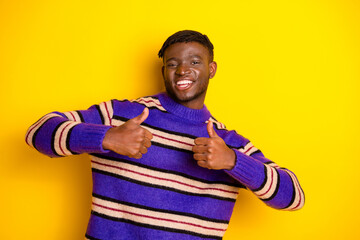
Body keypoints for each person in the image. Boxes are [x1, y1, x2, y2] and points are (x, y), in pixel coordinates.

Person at [25, 30, 304, 240]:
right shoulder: (123, 115)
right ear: (164, 71)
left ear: (211, 69)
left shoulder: (226, 143)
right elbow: (37, 132)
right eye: (173, 64)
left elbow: (293, 197)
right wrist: (106, 137)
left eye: (195, 61)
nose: (183, 70)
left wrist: (233, 161)